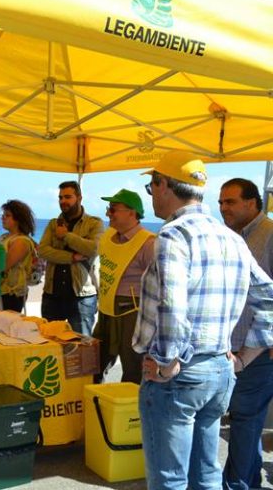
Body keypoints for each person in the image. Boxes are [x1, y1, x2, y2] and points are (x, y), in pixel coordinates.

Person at [134, 153, 273, 490]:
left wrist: (167, 363)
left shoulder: (173, 235)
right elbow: (269, 297)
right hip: (220, 369)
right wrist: (244, 357)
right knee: (206, 474)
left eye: (152, 185)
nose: (151, 193)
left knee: (170, 480)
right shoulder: (232, 238)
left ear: (163, 185)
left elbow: (172, 304)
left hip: (180, 373)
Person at [219, 178, 273, 489]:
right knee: (247, 423)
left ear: (252, 203)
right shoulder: (235, 236)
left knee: (243, 421)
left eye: (230, 202)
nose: (223, 208)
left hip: (260, 350)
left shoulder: (269, 234)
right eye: (221, 202)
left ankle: (237, 485)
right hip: (239, 348)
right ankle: (247, 482)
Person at [92, 189, 154, 383]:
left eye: (113, 209)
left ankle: (130, 411)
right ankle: (97, 403)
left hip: (132, 312)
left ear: (132, 213)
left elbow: (158, 286)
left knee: (133, 369)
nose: (108, 214)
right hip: (106, 310)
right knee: (94, 362)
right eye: (109, 209)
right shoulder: (108, 236)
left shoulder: (149, 243)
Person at [38, 181, 103, 335]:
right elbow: (43, 251)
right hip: (52, 295)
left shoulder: (94, 223)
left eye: (68, 197)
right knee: (51, 346)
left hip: (82, 297)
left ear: (79, 198)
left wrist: (66, 236)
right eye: (60, 198)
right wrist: (72, 257)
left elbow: (95, 248)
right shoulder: (53, 224)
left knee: (81, 347)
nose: (63, 201)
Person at [0, 200, 36, 313]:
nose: (3, 218)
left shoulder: (21, 241)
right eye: (3, 215)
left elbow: (4, 266)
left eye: (8, 215)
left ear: (18, 219)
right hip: (0, 291)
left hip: (11, 293)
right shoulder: (4, 237)